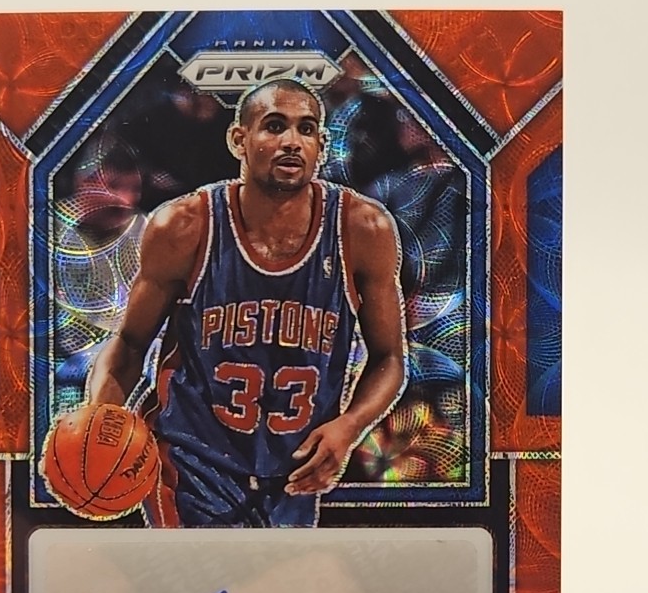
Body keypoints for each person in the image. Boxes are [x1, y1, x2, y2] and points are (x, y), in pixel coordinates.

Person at [86, 79, 407, 527]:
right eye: (274, 126)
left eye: (306, 129)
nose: (291, 141)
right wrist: (100, 423)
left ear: (321, 145)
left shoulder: (364, 229)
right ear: (239, 139)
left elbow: (389, 358)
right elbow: (129, 345)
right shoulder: (184, 226)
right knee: (203, 576)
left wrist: (350, 426)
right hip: (190, 465)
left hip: (293, 474)